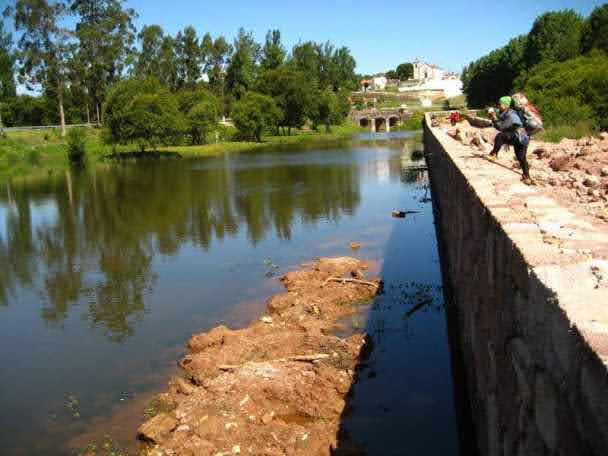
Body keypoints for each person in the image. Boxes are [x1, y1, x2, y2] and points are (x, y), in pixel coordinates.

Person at [488, 96, 532, 184]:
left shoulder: (511, 115)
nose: (498, 106)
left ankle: (494, 154)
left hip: (518, 137)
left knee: (500, 136)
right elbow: (501, 124)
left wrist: (493, 117)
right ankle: (527, 176)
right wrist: (493, 117)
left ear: (505, 105)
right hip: (523, 138)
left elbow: (501, 127)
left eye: (499, 104)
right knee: (521, 157)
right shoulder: (507, 113)